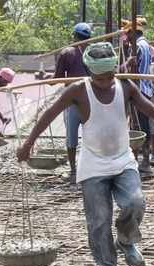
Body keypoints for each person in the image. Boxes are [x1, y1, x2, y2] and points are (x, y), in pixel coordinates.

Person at [17, 42, 154, 266]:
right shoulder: (78, 90)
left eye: (109, 76)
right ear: (91, 73)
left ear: (114, 71)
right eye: (100, 78)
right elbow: (50, 112)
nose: (105, 82)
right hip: (93, 164)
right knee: (99, 220)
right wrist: (28, 144)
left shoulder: (125, 86)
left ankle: (126, 240)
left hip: (123, 160)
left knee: (135, 202)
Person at [40, 22, 92, 185]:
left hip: (72, 100)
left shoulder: (67, 52)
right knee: (91, 134)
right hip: (91, 100)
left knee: (71, 136)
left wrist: (45, 77)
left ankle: (74, 170)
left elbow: (57, 78)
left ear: (74, 36)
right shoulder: (92, 53)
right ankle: (90, 167)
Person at [122, 17, 154, 177]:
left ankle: (143, 162)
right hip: (146, 90)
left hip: (139, 90)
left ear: (133, 33)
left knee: (139, 128)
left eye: (128, 34)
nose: (127, 38)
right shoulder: (145, 45)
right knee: (143, 127)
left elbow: (128, 69)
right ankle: (143, 161)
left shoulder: (137, 46)